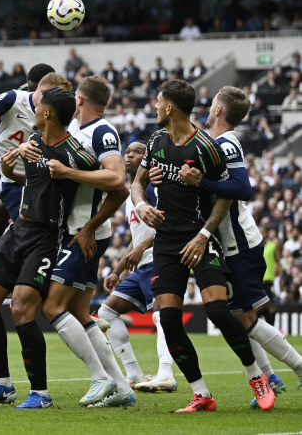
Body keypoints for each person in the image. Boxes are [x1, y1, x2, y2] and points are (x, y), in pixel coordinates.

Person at [131, 79, 274, 412]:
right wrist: (141, 205)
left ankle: (257, 376)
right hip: (166, 241)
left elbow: (224, 196)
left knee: (218, 311)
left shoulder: (206, 147)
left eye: (158, 101)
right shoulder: (155, 140)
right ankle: (201, 394)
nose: (153, 105)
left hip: (199, 237)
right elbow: (137, 183)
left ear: (169, 107)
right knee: (168, 319)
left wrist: (204, 235)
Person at [155, 86, 302, 407]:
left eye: (212, 106)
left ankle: (294, 370)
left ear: (219, 110)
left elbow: (242, 188)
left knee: (245, 320)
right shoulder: (203, 143)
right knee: (240, 317)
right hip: (226, 242)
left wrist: (200, 182)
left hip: (238, 244)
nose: (207, 110)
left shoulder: (225, 143)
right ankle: (270, 379)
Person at [0, 87, 98, 409]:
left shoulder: (74, 151)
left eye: (38, 105)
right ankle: (2, 384)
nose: (34, 107)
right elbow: (33, 182)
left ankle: (40, 393)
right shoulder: (35, 144)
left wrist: (90, 226)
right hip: (18, 229)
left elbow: (112, 181)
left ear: (47, 113)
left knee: (22, 308)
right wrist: (8, 170)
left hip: (46, 235)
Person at [19, 75, 132, 408]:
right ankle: (122, 388)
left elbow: (117, 182)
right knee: (79, 312)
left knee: (52, 306)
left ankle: (100, 378)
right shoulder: (74, 136)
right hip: (75, 230)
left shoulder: (101, 132)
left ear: (78, 100)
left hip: (84, 232)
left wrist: (87, 226)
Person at [97, 141, 176, 393]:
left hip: (159, 259)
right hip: (141, 264)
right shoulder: (134, 192)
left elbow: (169, 222)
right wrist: (117, 270)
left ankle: (166, 374)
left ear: (148, 158)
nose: (130, 156)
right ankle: (133, 374)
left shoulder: (153, 187)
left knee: (161, 315)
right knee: (107, 313)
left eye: (137, 152)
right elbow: (136, 235)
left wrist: (142, 248)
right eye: (127, 152)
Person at [0, 71, 69, 243]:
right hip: (13, 177)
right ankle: (6, 255)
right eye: (58, 95)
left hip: (38, 180)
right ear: (43, 94)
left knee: (27, 236)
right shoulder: (14, 99)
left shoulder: (56, 114)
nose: (62, 100)